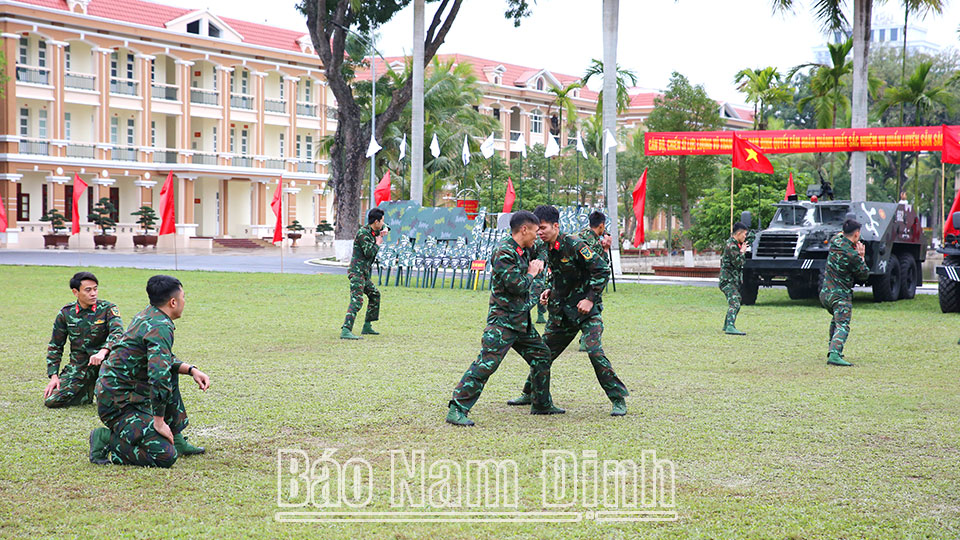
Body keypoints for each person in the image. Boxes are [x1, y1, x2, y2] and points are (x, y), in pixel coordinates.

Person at [509, 205, 629, 417]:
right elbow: (555, 273)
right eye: (537, 229)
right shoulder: (542, 247)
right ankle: (531, 394)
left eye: (543, 228)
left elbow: (601, 269)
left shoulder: (574, 244)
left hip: (585, 312)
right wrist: (548, 289)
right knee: (543, 353)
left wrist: (590, 299)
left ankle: (617, 398)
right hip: (561, 313)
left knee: (594, 351)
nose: (540, 233)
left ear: (556, 226)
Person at [446, 211, 563, 426]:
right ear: (524, 229)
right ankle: (457, 407)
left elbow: (543, 252)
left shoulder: (527, 248)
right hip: (503, 321)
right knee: (486, 364)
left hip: (521, 320)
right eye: (535, 232)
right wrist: (532, 273)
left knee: (542, 355)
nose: (537, 237)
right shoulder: (504, 252)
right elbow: (517, 286)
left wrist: (538, 263)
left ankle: (541, 403)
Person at [89, 275, 210, 467]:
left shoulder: (150, 314)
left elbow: (162, 359)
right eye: (183, 297)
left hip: (129, 393)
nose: (184, 302)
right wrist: (159, 421)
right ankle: (106, 438)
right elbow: (158, 376)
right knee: (164, 456)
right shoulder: (159, 326)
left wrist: (191, 370)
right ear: (173, 302)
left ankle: (177, 439)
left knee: (170, 371)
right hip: (118, 404)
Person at [43, 272, 123, 408]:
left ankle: (99, 388)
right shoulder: (66, 313)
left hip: (106, 364)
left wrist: (102, 352)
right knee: (52, 400)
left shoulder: (108, 309)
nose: (93, 293)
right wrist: (54, 376)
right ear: (76, 292)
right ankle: (86, 390)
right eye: (88, 290)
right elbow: (56, 345)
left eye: (95, 289)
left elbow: (118, 333)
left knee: (113, 403)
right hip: (79, 366)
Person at [820, 219, 870, 366]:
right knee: (843, 324)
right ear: (856, 234)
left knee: (836, 319)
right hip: (840, 295)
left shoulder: (835, 241)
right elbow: (864, 275)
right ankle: (834, 355)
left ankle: (832, 347)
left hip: (825, 294)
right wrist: (861, 256)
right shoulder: (852, 255)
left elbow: (840, 235)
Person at [341, 208, 386, 340]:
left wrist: (386, 229)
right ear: (376, 221)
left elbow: (387, 227)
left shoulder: (374, 230)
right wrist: (378, 243)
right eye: (382, 221)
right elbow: (369, 253)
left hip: (364, 274)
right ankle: (346, 330)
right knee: (357, 301)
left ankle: (367, 325)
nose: (384, 223)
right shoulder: (363, 234)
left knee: (375, 294)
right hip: (357, 273)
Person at [575, 211, 611, 351]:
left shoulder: (582, 234)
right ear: (601, 225)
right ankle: (586, 340)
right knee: (595, 309)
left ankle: (584, 336)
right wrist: (606, 249)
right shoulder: (595, 244)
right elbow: (602, 265)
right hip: (591, 282)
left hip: (576, 280)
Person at [719, 223, 749, 335]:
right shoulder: (732, 246)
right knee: (735, 301)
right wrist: (743, 252)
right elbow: (738, 262)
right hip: (727, 280)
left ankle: (727, 324)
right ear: (739, 233)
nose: (745, 237)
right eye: (744, 234)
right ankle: (730, 326)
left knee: (735, 300)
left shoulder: (734, 244)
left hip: (731, 279)